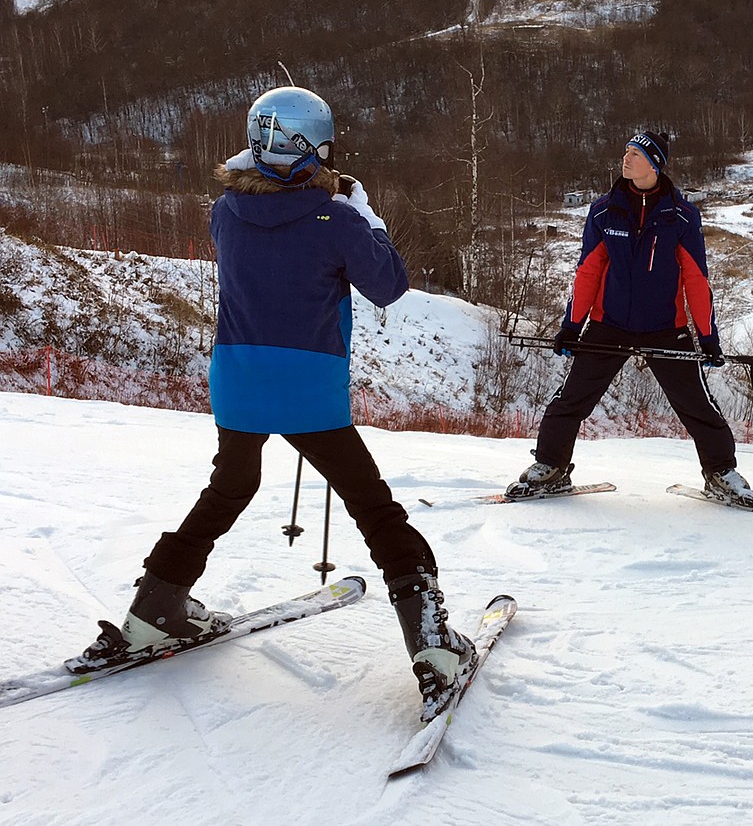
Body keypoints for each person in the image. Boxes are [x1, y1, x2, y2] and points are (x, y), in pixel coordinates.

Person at [65, 87, 475, 723]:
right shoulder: (337, 220)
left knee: (229, 488)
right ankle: (432, 644)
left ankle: (155, 609)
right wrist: (363, 214)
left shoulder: (226, 211)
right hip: (309, 389)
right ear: (320, 147)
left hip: (237, 381)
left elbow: (262, 215)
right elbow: (390, 286)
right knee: (373, 507)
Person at [507, 131, 753, 508]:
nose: (626, 158)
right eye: (625, 151)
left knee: (697, 404)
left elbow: (695, 277)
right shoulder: (604, 210)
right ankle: (550, 467)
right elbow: (588, 271)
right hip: (609, 324)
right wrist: (571, 326)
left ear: (655, 164)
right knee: (570, 400)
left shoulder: (683, 216)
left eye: (636, 153)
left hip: (666, 328)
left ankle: (721, 473)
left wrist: (707, 337)